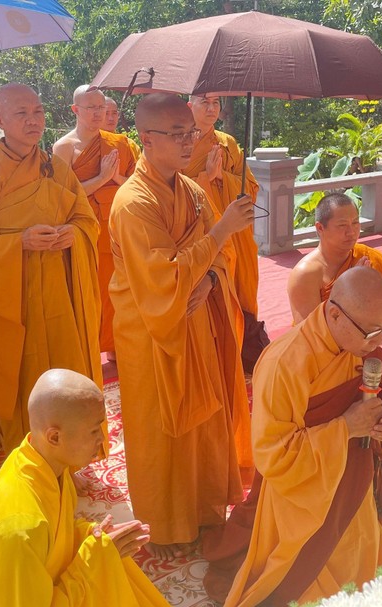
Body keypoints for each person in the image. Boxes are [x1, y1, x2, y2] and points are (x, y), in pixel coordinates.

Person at [204, 267, 382, 607]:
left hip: (356, 479)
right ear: (334, 313)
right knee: (307, 599)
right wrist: (346, 428)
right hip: (303, 497)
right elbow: (273, 455)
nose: (380, 342)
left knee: (374, 561)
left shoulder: (359, 343)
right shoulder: (284, 363)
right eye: (373, 332)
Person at [109, 93, 255, 560]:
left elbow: (221, 259)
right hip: (154, 332)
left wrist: (211, 278)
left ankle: (207, 508)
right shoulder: (133, 202)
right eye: (177, 134)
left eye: (189, 131)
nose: (189, 141)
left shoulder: (192, 191)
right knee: (163, 428)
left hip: (197, 320)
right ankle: (168, 524)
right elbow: (161, 276)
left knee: (206, 421)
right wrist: (219, 234)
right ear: (147, 139)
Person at [0, 83, 103, 455]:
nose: (33, 120)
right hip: (11, 301)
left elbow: (87, 220)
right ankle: (30, 461)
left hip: (58, 292)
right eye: (21, 114)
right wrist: (18, 242)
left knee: (67, 372)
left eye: (37, 112)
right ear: (0, 120)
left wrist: (74, 233)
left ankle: (70, 457)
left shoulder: (58, 169)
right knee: (19, 381)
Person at [0, 369, 180, 607]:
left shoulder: (43, 464)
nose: (102, 439)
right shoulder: (18, 531)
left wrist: (93, 536)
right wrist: (94, 557)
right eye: (93, 431)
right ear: (54, 436)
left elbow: (56, 542)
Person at [53, 85, 138, 360]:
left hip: (119, 227)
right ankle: (88, 348)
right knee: (90, 291)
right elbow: (61, 197)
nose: (99, 113)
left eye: (102, 107)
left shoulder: (119, 144)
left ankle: (116, 344)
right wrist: (101, 179)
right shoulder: (64, 147)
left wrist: (114, 179)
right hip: (86, 231)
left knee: (120, 289)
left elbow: (138, 185)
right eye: (91, 108)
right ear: (76, 110)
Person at [185, 95, 265, 371]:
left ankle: (244, 346)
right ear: (189, 106)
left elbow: (251, 189)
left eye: (216, 102)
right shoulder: (179, 142)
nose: (211, 108)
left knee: (240, 288)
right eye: (204, 102)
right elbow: (172, 191)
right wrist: (205, 178)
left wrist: (221, 177)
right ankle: (211, 356)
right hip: (201, 234)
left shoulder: (228, 143)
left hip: (237, 235)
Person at [287, 193, 382, 324]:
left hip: (367, 341)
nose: (351, 232)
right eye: (342, 225)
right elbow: (310, 333)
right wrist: (351, 285)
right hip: (324, 344)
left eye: (355, 223)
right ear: (320, 228)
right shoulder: (305, 274)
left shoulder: (369, 258)